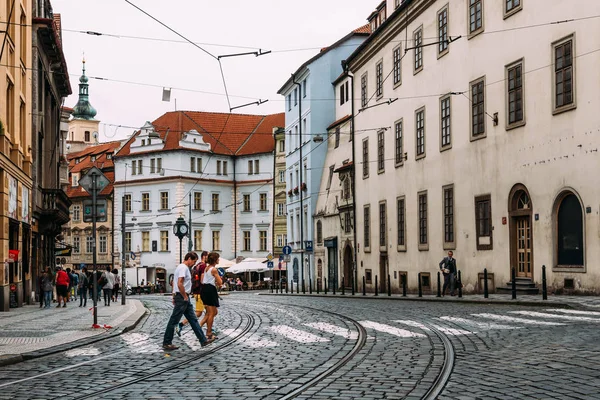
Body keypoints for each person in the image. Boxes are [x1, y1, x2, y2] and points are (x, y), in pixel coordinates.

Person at [162, 252, 213, 350]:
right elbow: (179, 283)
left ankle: (203, 340)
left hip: (182, 297)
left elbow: (174, 283)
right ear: (189, 258)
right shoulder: (183, 268)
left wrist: (175, 295)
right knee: (174, 320)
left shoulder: (181, 267)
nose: (194, 263)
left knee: (193, 319)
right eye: (193, 261)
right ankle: (167, 342)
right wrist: (184, 296)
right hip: (182, 297)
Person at [176, 251, 208, 337]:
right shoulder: (203, 266)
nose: (194, 263)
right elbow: (202, 280)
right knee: (198, 313)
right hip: (201, 292)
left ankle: (206, 331)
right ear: (204, 257)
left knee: (208, 312)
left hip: (196, 292)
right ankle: (182, 325)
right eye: (208, 256)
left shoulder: (197, 266)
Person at [200, 252, 223, 340]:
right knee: (211, 313)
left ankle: (200, 326)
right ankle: (209, 333)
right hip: (210, 290)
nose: (219, 260)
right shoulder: (214, 269)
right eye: (218, 258)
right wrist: (219, 282)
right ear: (215, 260)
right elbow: (220, 282)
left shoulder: (207, 268)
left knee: (214, 312)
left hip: (205, 289)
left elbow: (205, 279)